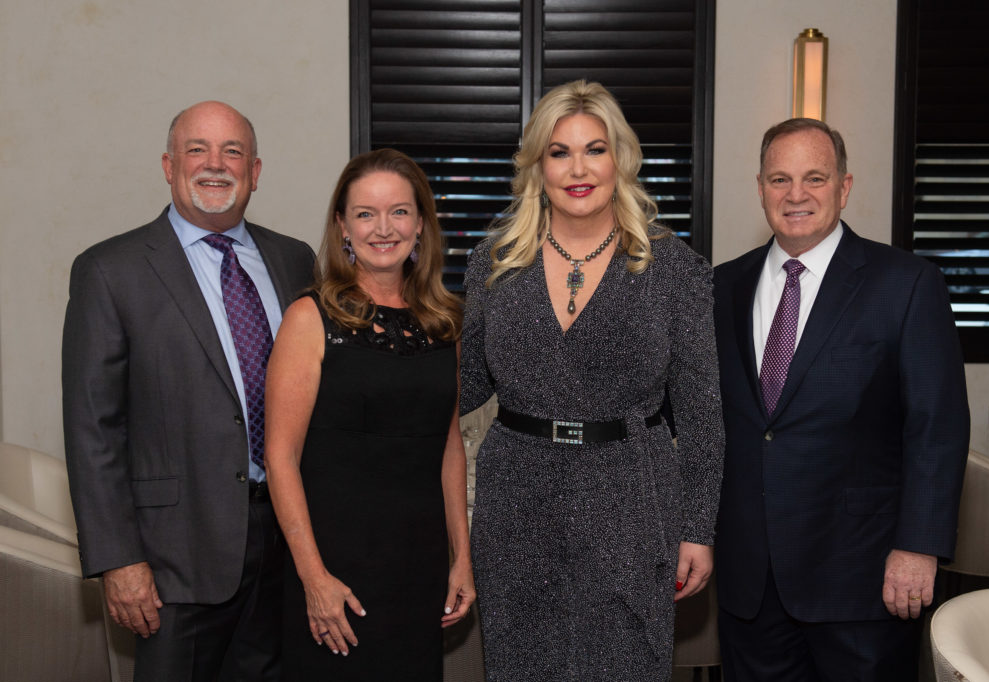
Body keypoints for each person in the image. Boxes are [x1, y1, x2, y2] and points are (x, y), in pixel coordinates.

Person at [460, 79, 724, 680]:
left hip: (633, 502)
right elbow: (464, 384)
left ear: (620, 159)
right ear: (537, 166)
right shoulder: (495, 262)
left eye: (594, 149)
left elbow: (703, 415)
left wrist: (697, 528)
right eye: (559, 152)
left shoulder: (673, 268)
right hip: (517, 504)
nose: (578, 168)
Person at [62, 101, 316, 680]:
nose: (215, 164)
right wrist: (118, 559)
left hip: (287, 543)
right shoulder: (110, 269)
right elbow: (92, 427)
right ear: (168, 165)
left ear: (255, 171)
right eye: (197, 149)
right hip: (173, 555)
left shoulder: (293, 259)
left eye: (233, 152)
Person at [712, 117, 970, 680]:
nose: (795, 195)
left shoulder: (905, 284)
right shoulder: (720, 287)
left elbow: (938, 428)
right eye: (779, 179)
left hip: (864, 578)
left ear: (845, 187)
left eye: (814, 178)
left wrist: (918, 547)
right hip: (750, 580)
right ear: (759, 188)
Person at [264, 148, 475, 680]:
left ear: (421, 225)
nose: (384, 228)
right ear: (342, 227)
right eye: (365, 213)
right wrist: (313, 578)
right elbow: (280, 457)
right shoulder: (310, 317)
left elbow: (448, 445)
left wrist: (461, 557)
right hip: (336, 571)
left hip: (418, 566)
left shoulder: (445, 321)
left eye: (399, 212)